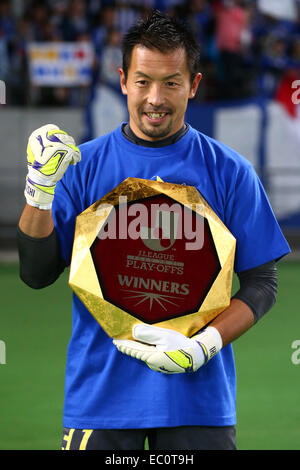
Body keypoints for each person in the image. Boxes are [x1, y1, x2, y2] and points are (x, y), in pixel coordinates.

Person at [17, 10, 290, 451]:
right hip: (100, 400)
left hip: (198, 402)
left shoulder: (230, 171)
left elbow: (262, 282)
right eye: (143, 81)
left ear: (194, 85)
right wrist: (39, 192)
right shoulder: (81, 167)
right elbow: (35, 272)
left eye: (171, 83)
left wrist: (204, 346)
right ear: (123, 79)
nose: (155, 98)